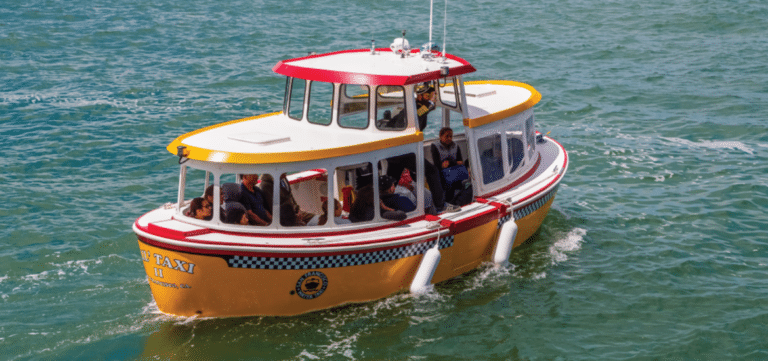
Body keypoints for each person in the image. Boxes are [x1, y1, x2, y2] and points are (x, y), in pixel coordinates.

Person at [431, 127, 468, 205]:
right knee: (448, 185)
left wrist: (450, 162)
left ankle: (461, 201)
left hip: (455, 170)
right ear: (441, 136)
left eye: (451, 136)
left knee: (463, 182)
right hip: (442, 172)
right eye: (447, 136)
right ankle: (449, 203)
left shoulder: (456, 146)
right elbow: (437, 164)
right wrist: (451, 163)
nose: (449, 138)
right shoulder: (435, 146)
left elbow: (460, 161)